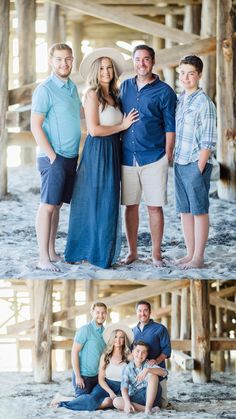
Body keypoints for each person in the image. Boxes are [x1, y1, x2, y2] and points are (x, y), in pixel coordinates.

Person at [64, 48, 138, 269]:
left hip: (114, 151)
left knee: (109, 200)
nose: (106, 72)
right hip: (97, 151)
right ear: (96, 72)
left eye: (109, 68)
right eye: (102, 68)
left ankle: (102, 252)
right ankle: (85, 251)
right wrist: (122, 126)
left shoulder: (115, 96)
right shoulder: (92, 95)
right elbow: (94, 130)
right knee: (93, 200)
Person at [120, 44, 176, 267]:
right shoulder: (125, 87)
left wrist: (168, 156)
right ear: (133, 62)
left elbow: (170, 127)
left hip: (155, 157)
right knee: (130, 206)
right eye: (137, 59)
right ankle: (132, 252)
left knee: (154, 207)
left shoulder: (165, 91)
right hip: (127, 156)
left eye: (145, 59)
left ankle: (156, 254)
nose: (141, 63)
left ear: (153, 62)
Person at [31, 43, 82, 272]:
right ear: (51, 61)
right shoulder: (45, 89)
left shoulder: (72, 87)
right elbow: (35, 125)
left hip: (70, 156)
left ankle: (51, 251)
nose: (64, 64)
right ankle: (43, 257)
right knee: (47, 206)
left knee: (57, 205)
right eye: (59, 59)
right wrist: (52, 156)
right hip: (54, 157)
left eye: (68, 59)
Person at [173, 55, 217, 269]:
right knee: (185, 210)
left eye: (191, 73)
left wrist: (198, 168)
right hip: (179, 163)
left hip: (195, 164)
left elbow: (208, 140)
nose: (186, 77)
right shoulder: (180, 99)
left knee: (199, 210)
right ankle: (190, 254)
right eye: (182, 73)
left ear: (199, 75)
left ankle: (198, 257)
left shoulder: (204, 103)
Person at [52, 322, 133, 411]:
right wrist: (111, 392)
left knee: (109, 402)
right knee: (93, 399)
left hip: (122, 388)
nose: (118, 340)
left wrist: (150, 362)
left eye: (121, 337)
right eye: (116, 336)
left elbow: (140, 364)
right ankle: (63, 403)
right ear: (112, 338)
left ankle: (68, 400)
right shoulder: (105, 356)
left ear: (124, 339)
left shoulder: (129, 356)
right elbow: (101, 380)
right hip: (105, 386)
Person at [132, 300, 171, 408]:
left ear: (150, 312)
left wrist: (156, 361)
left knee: (162, 404)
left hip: (157, 370)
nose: (142, 313)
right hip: (138, 373)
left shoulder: (160, 329)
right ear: (136, 312)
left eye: (145, 310)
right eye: (140, 311)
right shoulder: (132, 331)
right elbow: (130, 352)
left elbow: (167, 350)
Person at [113, 340, 167, 415]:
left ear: (147, 354)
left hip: (152, 396)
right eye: (137, 351)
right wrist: (127, 403)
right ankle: (149, 409)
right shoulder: (127, 368)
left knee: (153, 376)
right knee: (116, 401)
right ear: (132, 352)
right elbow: (124, 387)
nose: (140, 354)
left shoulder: (148, 364)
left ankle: (148, 407)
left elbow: (165, 372)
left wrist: (148, 370)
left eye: (143, 352)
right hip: (137, 397)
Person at [71, 302, 107, 397]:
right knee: (82, 400)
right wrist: (78, 376)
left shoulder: (105, 333)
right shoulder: (85, 330)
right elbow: (74, 352)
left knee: (96, 400)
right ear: (92, 312)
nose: (100, 315)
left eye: (103, 313)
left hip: (96, 377)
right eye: (98, 312)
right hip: (83, 375)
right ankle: (61, 399)